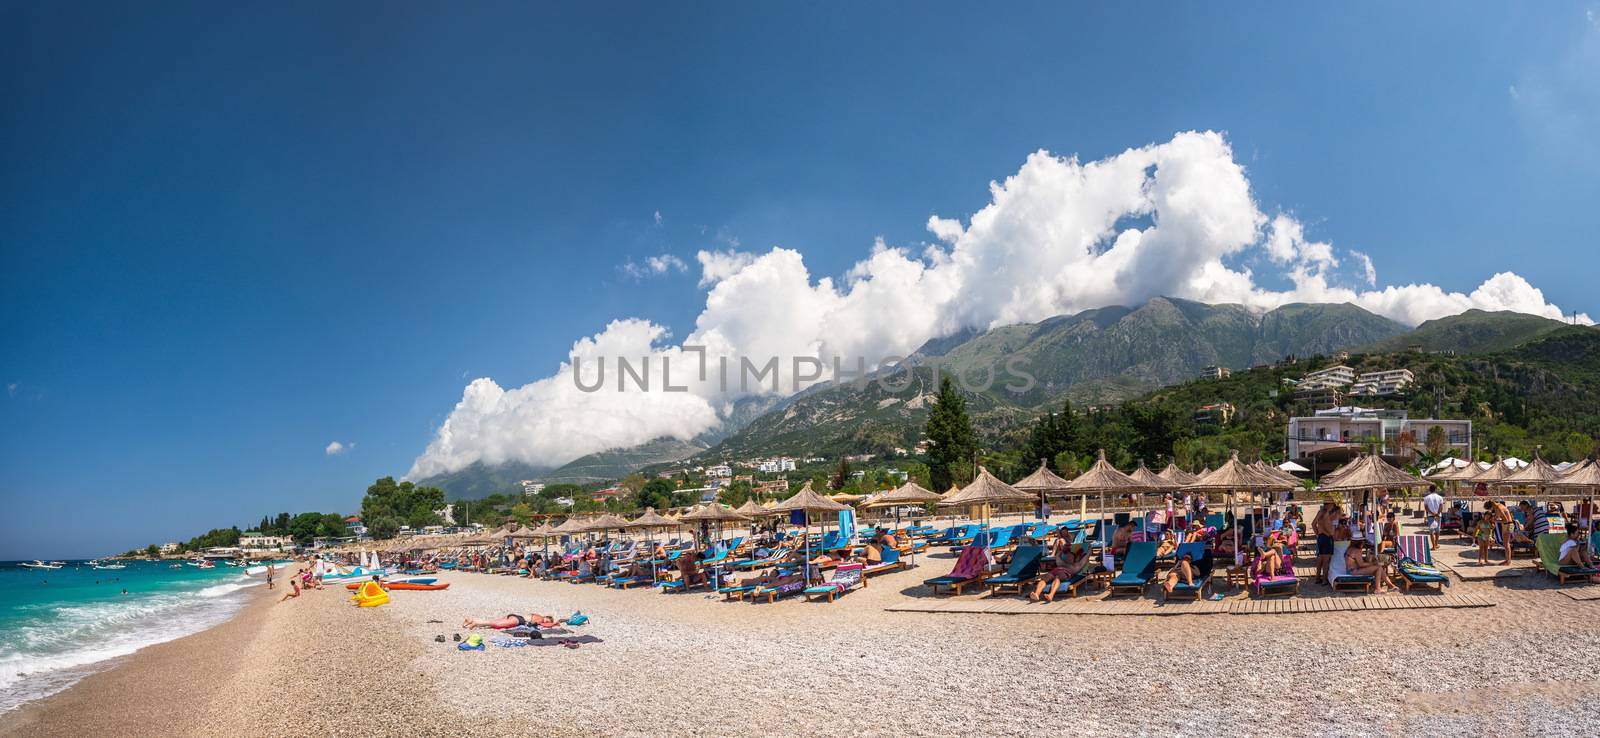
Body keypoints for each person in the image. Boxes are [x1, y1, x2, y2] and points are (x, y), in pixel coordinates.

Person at [1312, 502, 1339, 585]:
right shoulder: (1329, 514)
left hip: (1321, 537)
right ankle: (1324, 580)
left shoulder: (1320, 512)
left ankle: (1317, 578)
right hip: (1327, 538)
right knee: (1326, 561)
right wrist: (1328, 533)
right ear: (1329, 505)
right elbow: (1330, 530)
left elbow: (1313, 524)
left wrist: (1318, 533)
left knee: (1320, 558)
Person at [462, 612, 566, 630]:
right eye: (548, 620)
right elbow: (544, 624)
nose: (548, 621)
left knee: (492, 622)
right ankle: (475, 623)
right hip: (518, 620)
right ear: (546, 617)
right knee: (495, 624)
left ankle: (471, 620)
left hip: (514, 616)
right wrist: (554, 624)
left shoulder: (537, 615)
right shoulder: (540, 618)